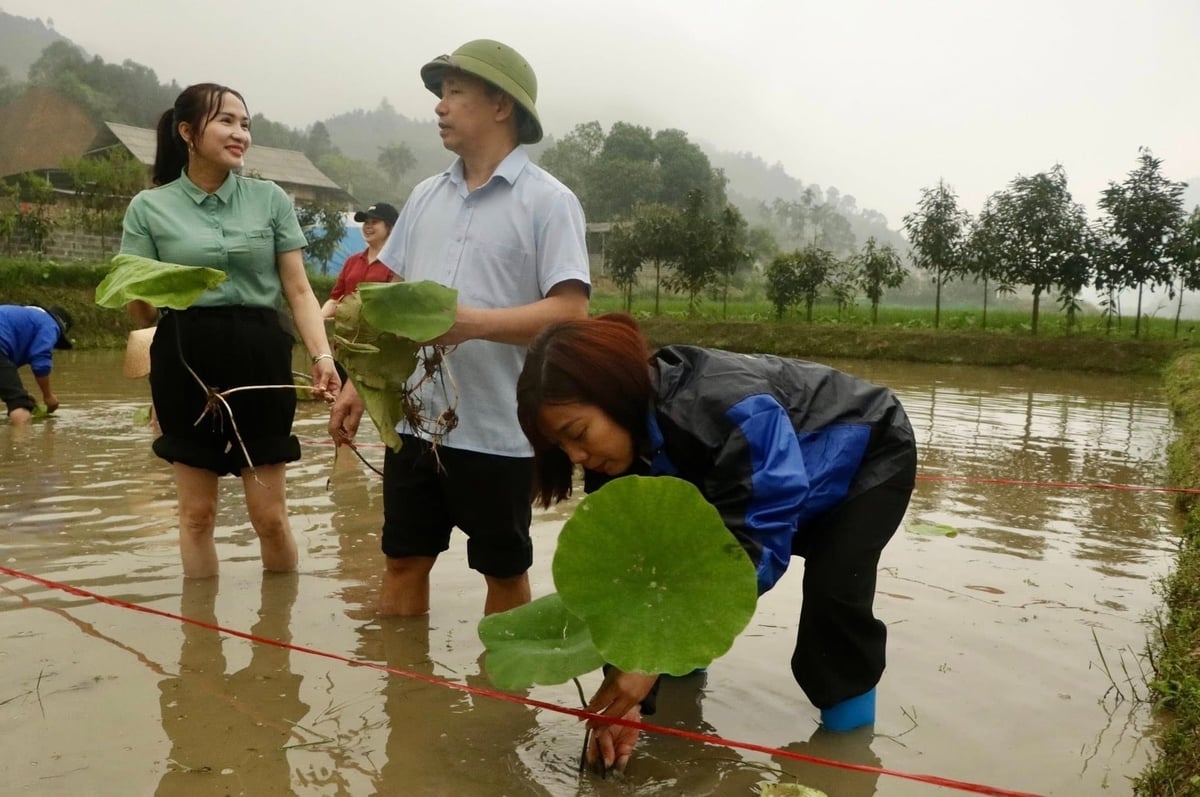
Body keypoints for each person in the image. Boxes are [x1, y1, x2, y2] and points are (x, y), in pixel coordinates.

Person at [514, 312, 918, 771]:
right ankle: (683, 709)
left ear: (616, 393)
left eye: (578, 434)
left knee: (834, 596)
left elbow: (752, 547)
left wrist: (652, 661)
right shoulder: (616, 461)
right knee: (664, 574)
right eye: (561, 449)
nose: (577, 457)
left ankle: (847, 755)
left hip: (865, 458)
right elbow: (632, 586)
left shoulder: (730, 409)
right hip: (769, 482)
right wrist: (626, 698)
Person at [328, 39, 590, 617]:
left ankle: (504, 705)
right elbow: (388, 305)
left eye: (454, 93)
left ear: (501, 105)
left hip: (500, 430)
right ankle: (407, 697)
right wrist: (357, 384)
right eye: (440, 95)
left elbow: (571, 315)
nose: (440, 107)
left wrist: (472, 325)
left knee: (503, 572)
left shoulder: (549, 202)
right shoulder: (424, 196)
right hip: (415, 423)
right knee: (402, 559)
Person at [120, 82, 341, 579]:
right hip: (184, 358)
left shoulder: (270, 199)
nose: (240, 133)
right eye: (226, 121)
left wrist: (322, 358)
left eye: (245, 124)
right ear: (187, 132)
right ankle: (201, 644)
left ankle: (276, 644)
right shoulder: (148, 208)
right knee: (197, 515)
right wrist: (138, 291)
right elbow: (142, 315)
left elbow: (300, 292)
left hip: (260, 354)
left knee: (269, 517)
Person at [319, 202, 400, 320]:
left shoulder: (397, 265)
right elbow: (335, 300)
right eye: (366, 222)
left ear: (391, 228)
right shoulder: (352, 261)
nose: (368, 226)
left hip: (379, 336)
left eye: (374, 222)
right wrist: (319, 319)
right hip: (346, 335)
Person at [0, 304, 72, 425]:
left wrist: (23, 393)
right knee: (20, 405)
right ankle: (20, 443)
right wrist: (48, 396)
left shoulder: (26, 317)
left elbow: (4, 375)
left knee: (19, 397)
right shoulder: (50, 324)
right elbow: (40, 361)